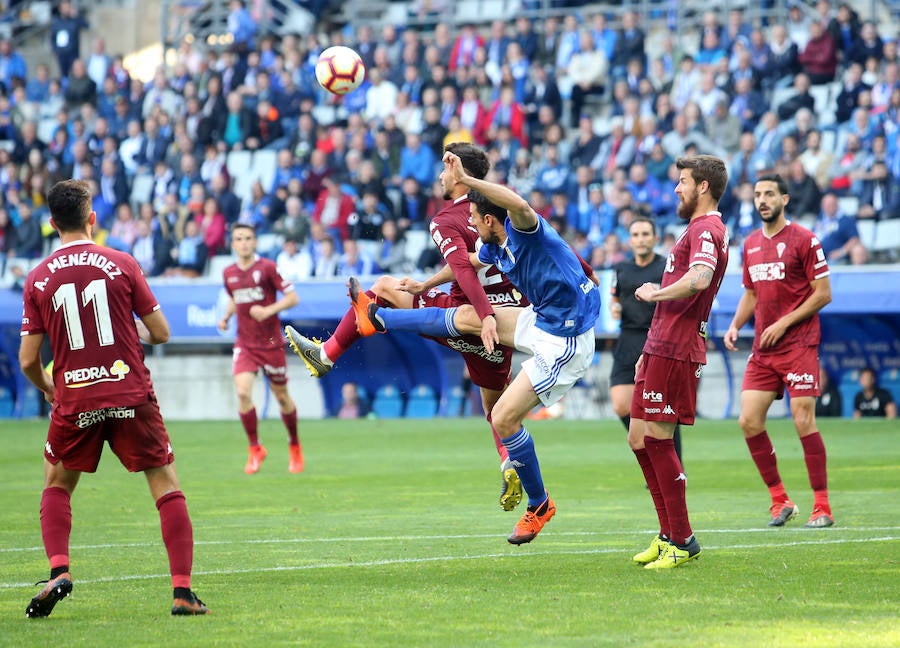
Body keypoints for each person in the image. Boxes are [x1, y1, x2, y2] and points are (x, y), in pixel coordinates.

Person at [348, 149, 601, 545]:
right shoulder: (493, 245)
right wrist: (425, 285)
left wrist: (466, 177)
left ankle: (540, 504)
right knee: (468, 316)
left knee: (501, 418)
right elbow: (466, 262)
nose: (465, 220)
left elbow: (516, 202)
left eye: (472, 217)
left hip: (566, 340)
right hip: (543, 320)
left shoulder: (521, 227)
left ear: (488, 218)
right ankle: (378, 319)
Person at [286, 142, 531, 513]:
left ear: (460, 175)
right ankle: (508, 461)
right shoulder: (503, 209)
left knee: (383, 287)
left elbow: (465, 272)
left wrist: (483, 317)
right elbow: (477, 260)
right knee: (496, 410)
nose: (439, 176)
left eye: (445, 169)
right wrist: (428, 285)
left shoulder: (445, 219)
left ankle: (329, 352)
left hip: (474, 319)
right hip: (509, 326)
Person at [18, 179, 208, 617]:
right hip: (129, 393)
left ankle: (59, 570)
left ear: (51, 224)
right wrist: (127, 327)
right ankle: (182, 592)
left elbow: (29, 359)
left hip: (75, 397)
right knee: (164, 484)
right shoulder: (121, 261)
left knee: (57, 484)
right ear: (92, 218)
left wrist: (48, 388)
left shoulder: (38, 277)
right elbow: (160, 333)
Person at [629, 155, 730, 569]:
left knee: (657, 437)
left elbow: (701, 278)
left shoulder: (708, 228)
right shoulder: (693, 228)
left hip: (677, 348)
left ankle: (683, 539)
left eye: (683, 181)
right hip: (658, 346)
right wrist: (645, 349)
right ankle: (666, 531)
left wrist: (655, 292)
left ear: (703, 186)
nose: (676, 189)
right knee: (638, 438)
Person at [724, 174, 835, 530]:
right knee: (748, 420)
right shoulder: (751, 244)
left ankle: (822, 507)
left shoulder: (805, 239)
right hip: (764, 347)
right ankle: (780, 500)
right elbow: (752, 293)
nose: (762, 200)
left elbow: (823, 294)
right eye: (757, 194)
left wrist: (784, 323)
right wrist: (736, 324)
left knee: (803, 418)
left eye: (769, 193)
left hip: (799, 343)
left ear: (784, 199)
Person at [218, 223, 304, 474]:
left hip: (269, 344)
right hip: (244, 343)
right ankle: (255, 448)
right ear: (233, 244)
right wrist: (226, 317)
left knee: (282, 397)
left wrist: (268, 310)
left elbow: (292, 297)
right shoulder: (228, 273)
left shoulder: (267, 268)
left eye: (248, 238)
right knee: (243, 393)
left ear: (255, 242)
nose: (244, 243)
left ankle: (295, 444)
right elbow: (236, 297)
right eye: (239, 239)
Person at [609, 217, 682, 463]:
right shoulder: (621, 269)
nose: (641, 239)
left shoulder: (666, 268)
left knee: (661, 409)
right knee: (621, 404)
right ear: (630, 241)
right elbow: (615, 298)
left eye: (645, 234)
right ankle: (647, 446)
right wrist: (615, 308)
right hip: (627, 339)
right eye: (636, 235)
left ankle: (673, 464)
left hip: (657, 339)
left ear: (655, 238)